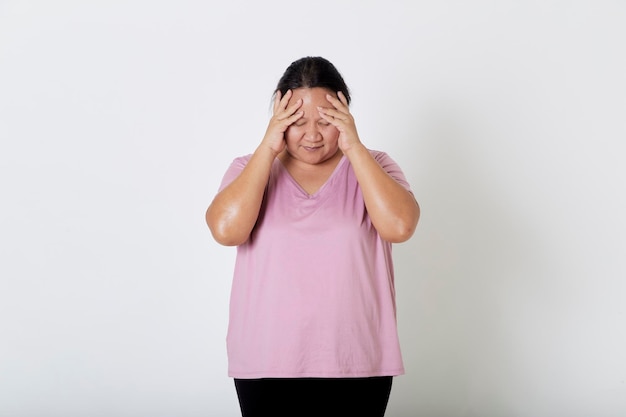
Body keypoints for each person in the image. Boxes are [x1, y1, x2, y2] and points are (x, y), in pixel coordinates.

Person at [205, 56, 420, 417]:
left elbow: (400, 226)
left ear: (345, 115)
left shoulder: (376, 165)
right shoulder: (248, 168)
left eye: (326, 121)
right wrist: (268, 147)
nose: (313, 135)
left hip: (358, 361)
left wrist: (354, 147)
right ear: (277, 116)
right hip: (265, 362)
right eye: (297, 122)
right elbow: (227, 231)